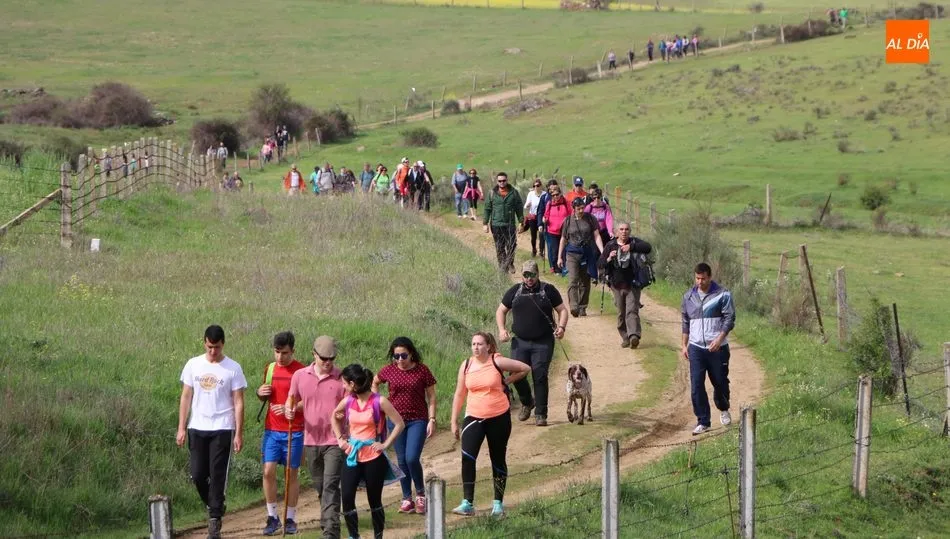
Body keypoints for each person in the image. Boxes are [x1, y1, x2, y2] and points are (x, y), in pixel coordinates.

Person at [176, 325, 247, 539]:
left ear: (223, 343)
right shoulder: (193, 364)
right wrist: (181, 427)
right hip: (197, 426)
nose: (213, 352)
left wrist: (239, 433)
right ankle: (215, 506)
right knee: (197, 474)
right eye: (209, 347)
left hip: (222, 427)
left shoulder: (233, 368)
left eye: (216, 347)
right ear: (204, 343)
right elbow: (186, 396)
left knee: (217, 476)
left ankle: (214, 523)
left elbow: (239, 402)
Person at [450, 332, 531, 517]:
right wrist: (453, 420)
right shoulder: (466, 365)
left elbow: (525, 368)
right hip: (473, 416)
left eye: (479, 344)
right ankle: (467, 502)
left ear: (488, 346)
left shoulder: (497, 361)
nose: (476, 347)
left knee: (498, 457)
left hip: (498, 416)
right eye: (473, 344)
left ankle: (497, 504)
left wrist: (508, 380)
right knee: (468, 457)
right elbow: (459, 393)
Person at [331, 364, 405, 539]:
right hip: (353, 455)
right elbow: (334, 415)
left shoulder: (379, 401)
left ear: (352, 384)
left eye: (344, 383)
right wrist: (340, 440)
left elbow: (399, 423)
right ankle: (353, 536)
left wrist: (385, 444)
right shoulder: (349, 401)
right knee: (347, 497)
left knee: (374, 501)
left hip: (373, 457)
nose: (342, 387)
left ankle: (378, 535)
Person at [286, 336, 347, 539]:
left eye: (331, 358)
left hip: (335, 441)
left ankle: (331, 532)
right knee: (321, 486)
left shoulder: (341, 378)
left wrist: (343, 414)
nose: (328, 362)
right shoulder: (300, 375)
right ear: (314, 354)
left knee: (330, 484)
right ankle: (327, 522)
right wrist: (289, 409)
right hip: (311, 440)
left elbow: (351, 404)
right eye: (324, 358)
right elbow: (292, 399)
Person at [496, 260, 568, 427]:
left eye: (532, 275)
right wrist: (501, 329)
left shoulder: (548, 290)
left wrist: (562, 327)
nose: (529, 278)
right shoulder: (514, 291)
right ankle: (527, 401)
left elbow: (562, 310)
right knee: (515, 374)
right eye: (526, 275)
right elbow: (501, 310)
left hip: (543, 342)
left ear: (537, 275)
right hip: (520, 341)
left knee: (540, 375)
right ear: (522, 275)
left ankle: (541, 413)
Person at [372, 337, 437, 515]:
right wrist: (377, 402)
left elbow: (431, 396)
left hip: (418, 419)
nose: (400, 359)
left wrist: (432, 418)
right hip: (395, 420)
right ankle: (407, 497)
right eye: (396, 356)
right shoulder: (389, 370)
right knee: (401, 460)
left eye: (403, 355)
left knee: (411, 458)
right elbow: (375, 382)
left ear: (411, 353)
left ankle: (421, 494)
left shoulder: (422, 370)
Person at [257, 332, 306, 536]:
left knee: (290, 474)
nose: (280, 357)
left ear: (292, 351)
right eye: (277, 352)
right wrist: (260, 393)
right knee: (268, 471)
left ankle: (291, 518)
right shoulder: (270, 369)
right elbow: (264, 396)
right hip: (272, 430)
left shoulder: (302, 371)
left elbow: (309, 401)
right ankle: (272, 516)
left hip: (294, 431)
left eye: (284, 353)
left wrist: (292, 409)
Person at [681, 263, 736, 435]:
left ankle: (724, 408)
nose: (700, 282)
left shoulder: (723, 294)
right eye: (697, 278)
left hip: (717, 349)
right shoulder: (688, 297)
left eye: (703, 278)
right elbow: (685, 322)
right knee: (696, 385)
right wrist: (684, 344)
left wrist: (719, 339)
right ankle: (703, 421)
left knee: (719, 382)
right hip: (696, 348)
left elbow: (730, 319)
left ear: (710, 277)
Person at [598, 222, 653, 349]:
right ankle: (625, 337)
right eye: (621, 229)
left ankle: (634, 336)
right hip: (616, 285)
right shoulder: (610, 245)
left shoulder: (634, 242)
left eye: (627, 229)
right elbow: (600, 263)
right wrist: (608, 258)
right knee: (621, 313)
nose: (624, 232)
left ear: (630, 231)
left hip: (633, 284)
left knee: (632, 311)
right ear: (616, 232)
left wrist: (631, 247)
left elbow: (648, 247)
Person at [558, 198, 605, 317]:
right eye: (578, 208)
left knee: (585, 281)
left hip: (587, 253)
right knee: (573, 280)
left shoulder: (590, 219)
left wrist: (603, 252)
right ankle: (574, 306)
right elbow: (563, 239)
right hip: (572, 253)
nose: (581, 210)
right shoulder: (568, 221)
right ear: (573, 208)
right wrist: (559, 257)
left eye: (582, 207)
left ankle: (583, 306)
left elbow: (596, 235)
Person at [482, 172, 524, 274]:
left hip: (509, 224)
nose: (502, 183)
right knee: (499, 246)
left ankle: (510, 263)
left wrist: (521, 222)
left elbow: (519, 207)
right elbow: (487, 208)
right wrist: (485, 223)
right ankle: (502, 267)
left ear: (507, 180)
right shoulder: (492, 193)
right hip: (496, 224)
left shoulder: (514, 193)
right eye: (500, 181)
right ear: (497, 181)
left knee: (512, 245)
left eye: (504, 180)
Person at [542, 185, 569, 274]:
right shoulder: (549, 204)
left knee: (564, 250)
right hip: (552, 231)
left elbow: (571, 213)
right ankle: (555, 268)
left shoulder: (565, 202)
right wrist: (544, 219)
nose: (555, 197)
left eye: (557, 194)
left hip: (564, 231)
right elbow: (546, 215)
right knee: (554, 250)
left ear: (560, 194)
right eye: (553, 195)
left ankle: (563, 268)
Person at [523, 179, 544, 258]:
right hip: (533, 217)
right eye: (534, 186)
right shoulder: (531, 194)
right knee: (533, 236)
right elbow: (525, 206)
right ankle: (534, 249)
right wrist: (528, 205)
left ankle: (541, 251)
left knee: (542, 235)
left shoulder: (544, 194)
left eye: (538, 185)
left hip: (541, 217)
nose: (536, 187)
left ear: (541, 186)